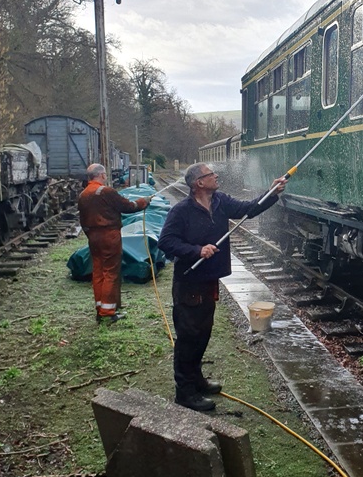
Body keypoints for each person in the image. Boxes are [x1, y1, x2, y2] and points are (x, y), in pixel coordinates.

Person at [158, 163, 286, 412]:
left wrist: (273, 192)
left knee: (203, 333)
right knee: (188, 338)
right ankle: (184, 392)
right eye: (210, 174)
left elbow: (249, 209)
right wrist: (197, 250)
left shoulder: (220, 202)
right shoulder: (181, 211)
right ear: (199, 183)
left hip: (209, 280)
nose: (216, 176)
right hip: (188, 282)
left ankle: (197, 380)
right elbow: (166, 241)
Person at [78, 163, 151, 323]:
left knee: (98, 271)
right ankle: (108, 311)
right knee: (110, 272)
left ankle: (100, 307)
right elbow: (128, 207)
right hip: (109, 236)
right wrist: (143, 202)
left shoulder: (84, 194)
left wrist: (90, 234)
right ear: (102, 175)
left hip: (93, 237)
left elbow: (82, 219)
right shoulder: (106, 192)